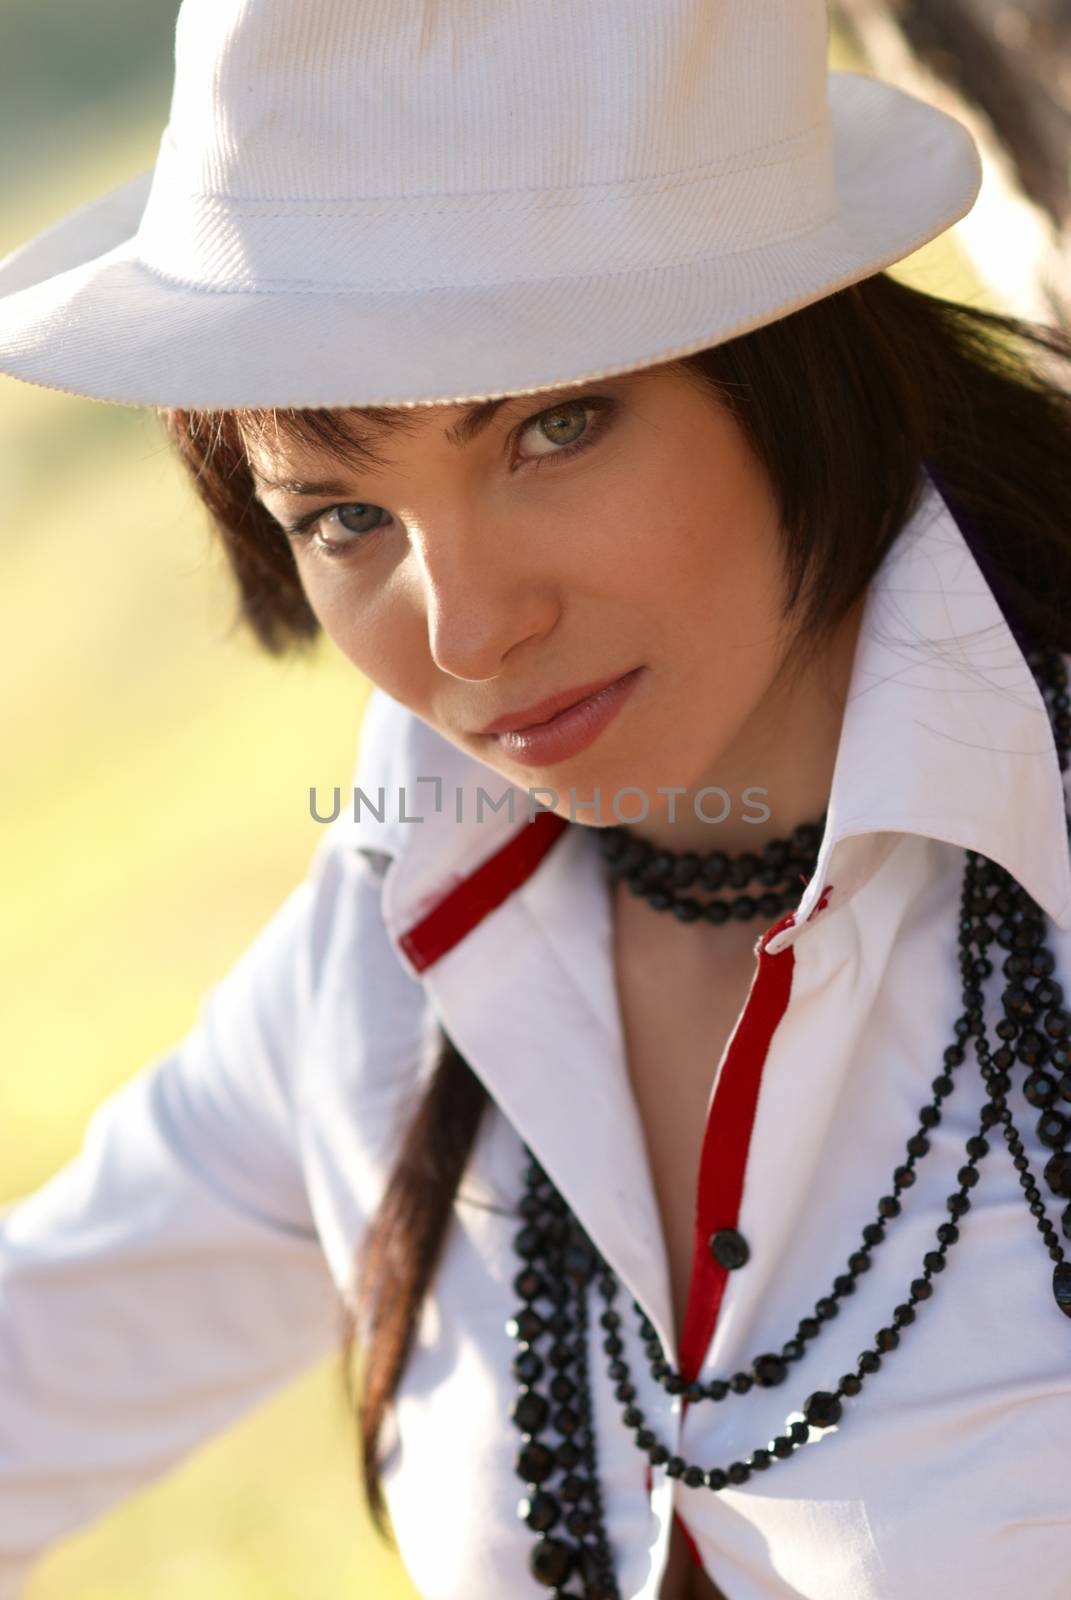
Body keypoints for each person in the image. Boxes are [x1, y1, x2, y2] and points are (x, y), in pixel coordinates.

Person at [1, 2, 1070, 1597]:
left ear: (792, 361)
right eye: (347, 511)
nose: (468, 631)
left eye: (553, 428)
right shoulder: (394, 927)